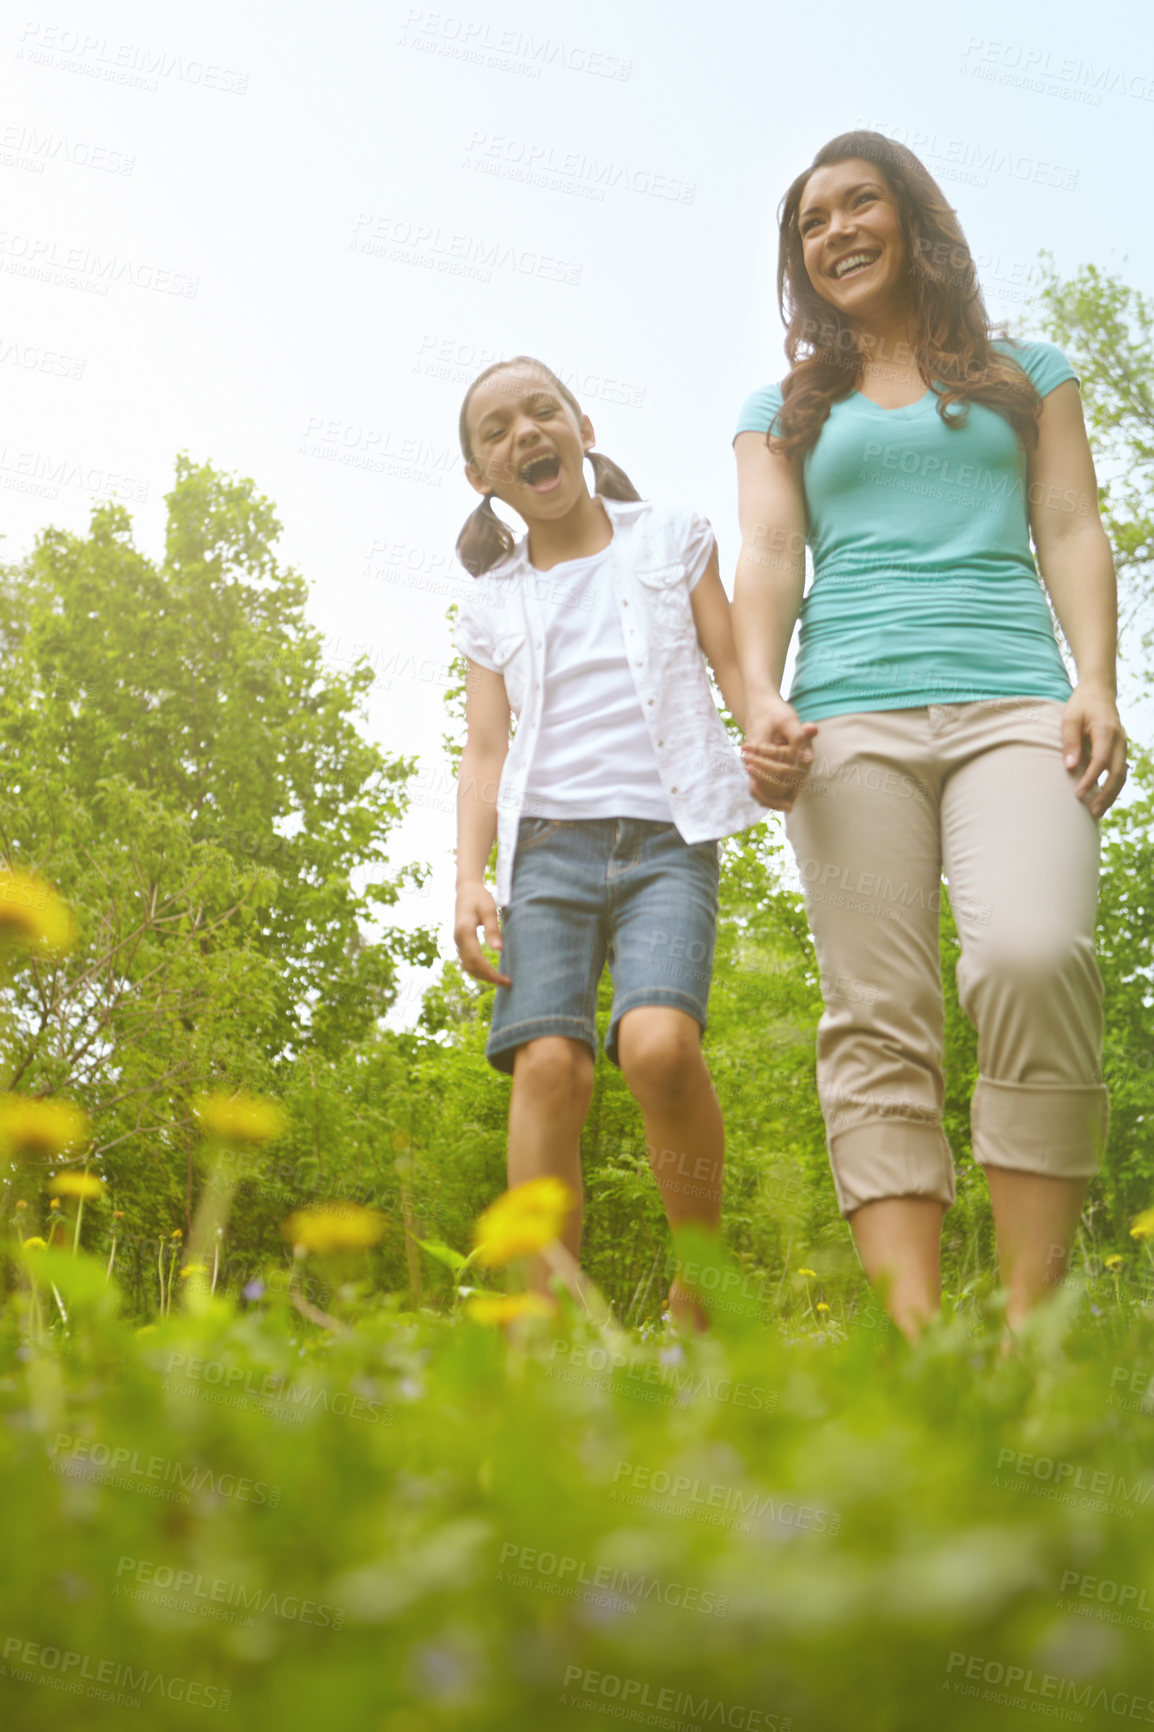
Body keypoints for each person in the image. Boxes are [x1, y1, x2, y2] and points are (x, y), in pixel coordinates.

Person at [732, 131, 1127, 1342]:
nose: (836, 230)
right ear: (799, 260)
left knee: (1031, 952)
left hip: (1013, 702)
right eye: (812, 221)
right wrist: (757, 695)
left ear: (912, 222)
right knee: (878, 1008)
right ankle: (908, 1343)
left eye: (859, 206)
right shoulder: (781, 410)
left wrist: (1096, 684)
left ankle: (1029, 1329)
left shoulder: (1028, 372)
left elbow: (1069, 528)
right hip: (847, 717)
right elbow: (768, 554)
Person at [452, 355, 764, 1327]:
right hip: (545, 851)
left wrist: (768, 724)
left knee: (658, 1046)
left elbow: (730, 662)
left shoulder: (670, 539)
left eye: (541, 412)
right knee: (549, 1066)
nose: (525, 434)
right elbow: (484, 749)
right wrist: (468, 878)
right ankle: (539, 1330)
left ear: (582, 427)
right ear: (482, 477)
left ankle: (697, 1285)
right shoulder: (492, 602)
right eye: (497, 429)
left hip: (668, 839)